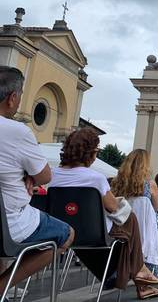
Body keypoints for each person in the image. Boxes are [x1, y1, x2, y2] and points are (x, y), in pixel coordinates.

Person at [49, 129, 158, 298]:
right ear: (91, 153)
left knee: (125, 231)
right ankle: (140, 270)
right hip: (94, 234)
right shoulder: (96, 178)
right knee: (129, 219)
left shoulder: (51, 175)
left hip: (61, 233)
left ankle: (138, 273)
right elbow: (113, 207)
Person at [0, 67, 74, 296]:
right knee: (65, 234)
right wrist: (28, 173)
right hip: (9, 223)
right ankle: (2, 287)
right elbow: (45, 176)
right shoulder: (17, 131)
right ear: (12, 98)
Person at [112, 149, 158, 278]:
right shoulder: (150, 184)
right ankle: (149, 273)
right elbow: (155, 208)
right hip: (146, 230)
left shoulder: (117, 183)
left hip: (122, 229)